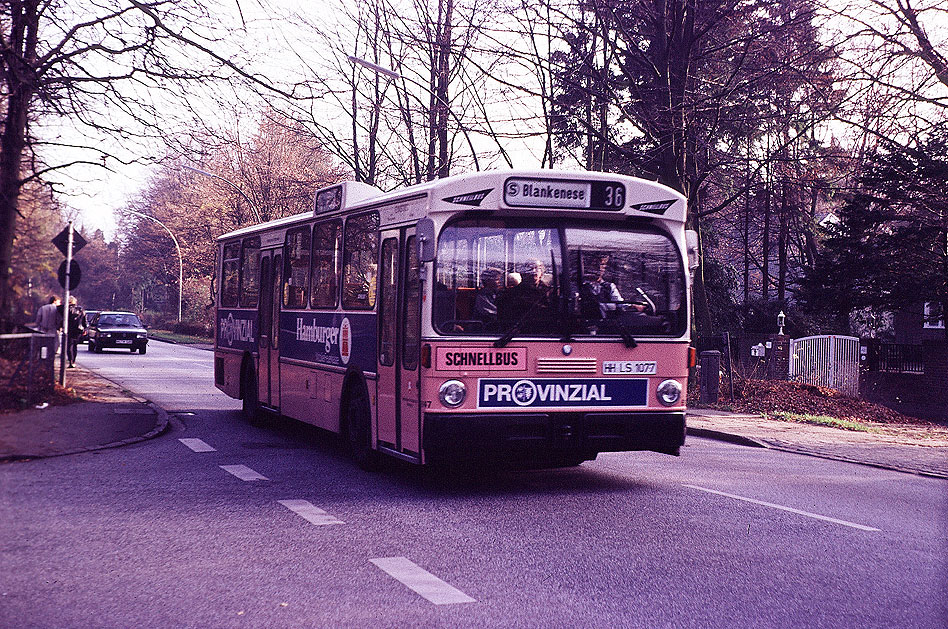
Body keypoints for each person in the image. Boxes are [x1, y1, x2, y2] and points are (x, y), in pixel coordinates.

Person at [497, 258, 553, 326]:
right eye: (529, 269)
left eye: (537, 268)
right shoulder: (510, 294)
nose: (533, 272)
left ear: (541, 272)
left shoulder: (550, 292)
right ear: (523, 273)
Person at [64, 296, 87, 368]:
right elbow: (84, 320)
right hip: (78, 330)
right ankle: (73, 361)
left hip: (69, 329)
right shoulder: (81, 309)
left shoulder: (67, 309)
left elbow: (64, 320)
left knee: (69, 346)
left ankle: (70, 361)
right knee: (75, 346)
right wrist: (85, 329)